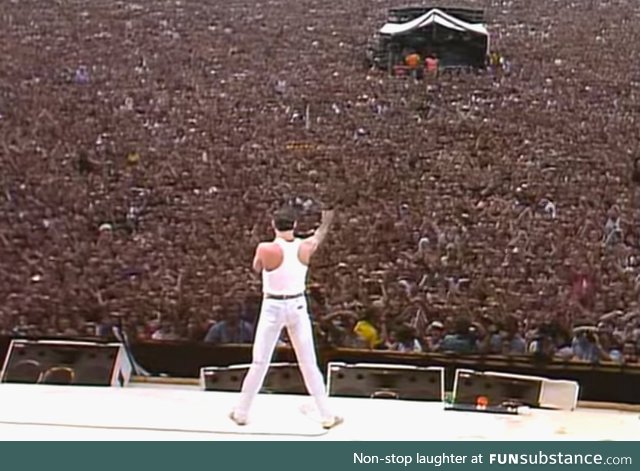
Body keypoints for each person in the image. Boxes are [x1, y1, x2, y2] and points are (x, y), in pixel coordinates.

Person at [229, 206, 343, 429]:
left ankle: (241, 412)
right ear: (295, 226)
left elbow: (257, 268)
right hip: (297, 305)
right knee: (308, 362)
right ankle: (327, 415)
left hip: (272, 305)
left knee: (260, 361)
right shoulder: (305, 246)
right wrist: (326, 221)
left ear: (274, 225)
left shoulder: (265, 248)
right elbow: (319, 235)